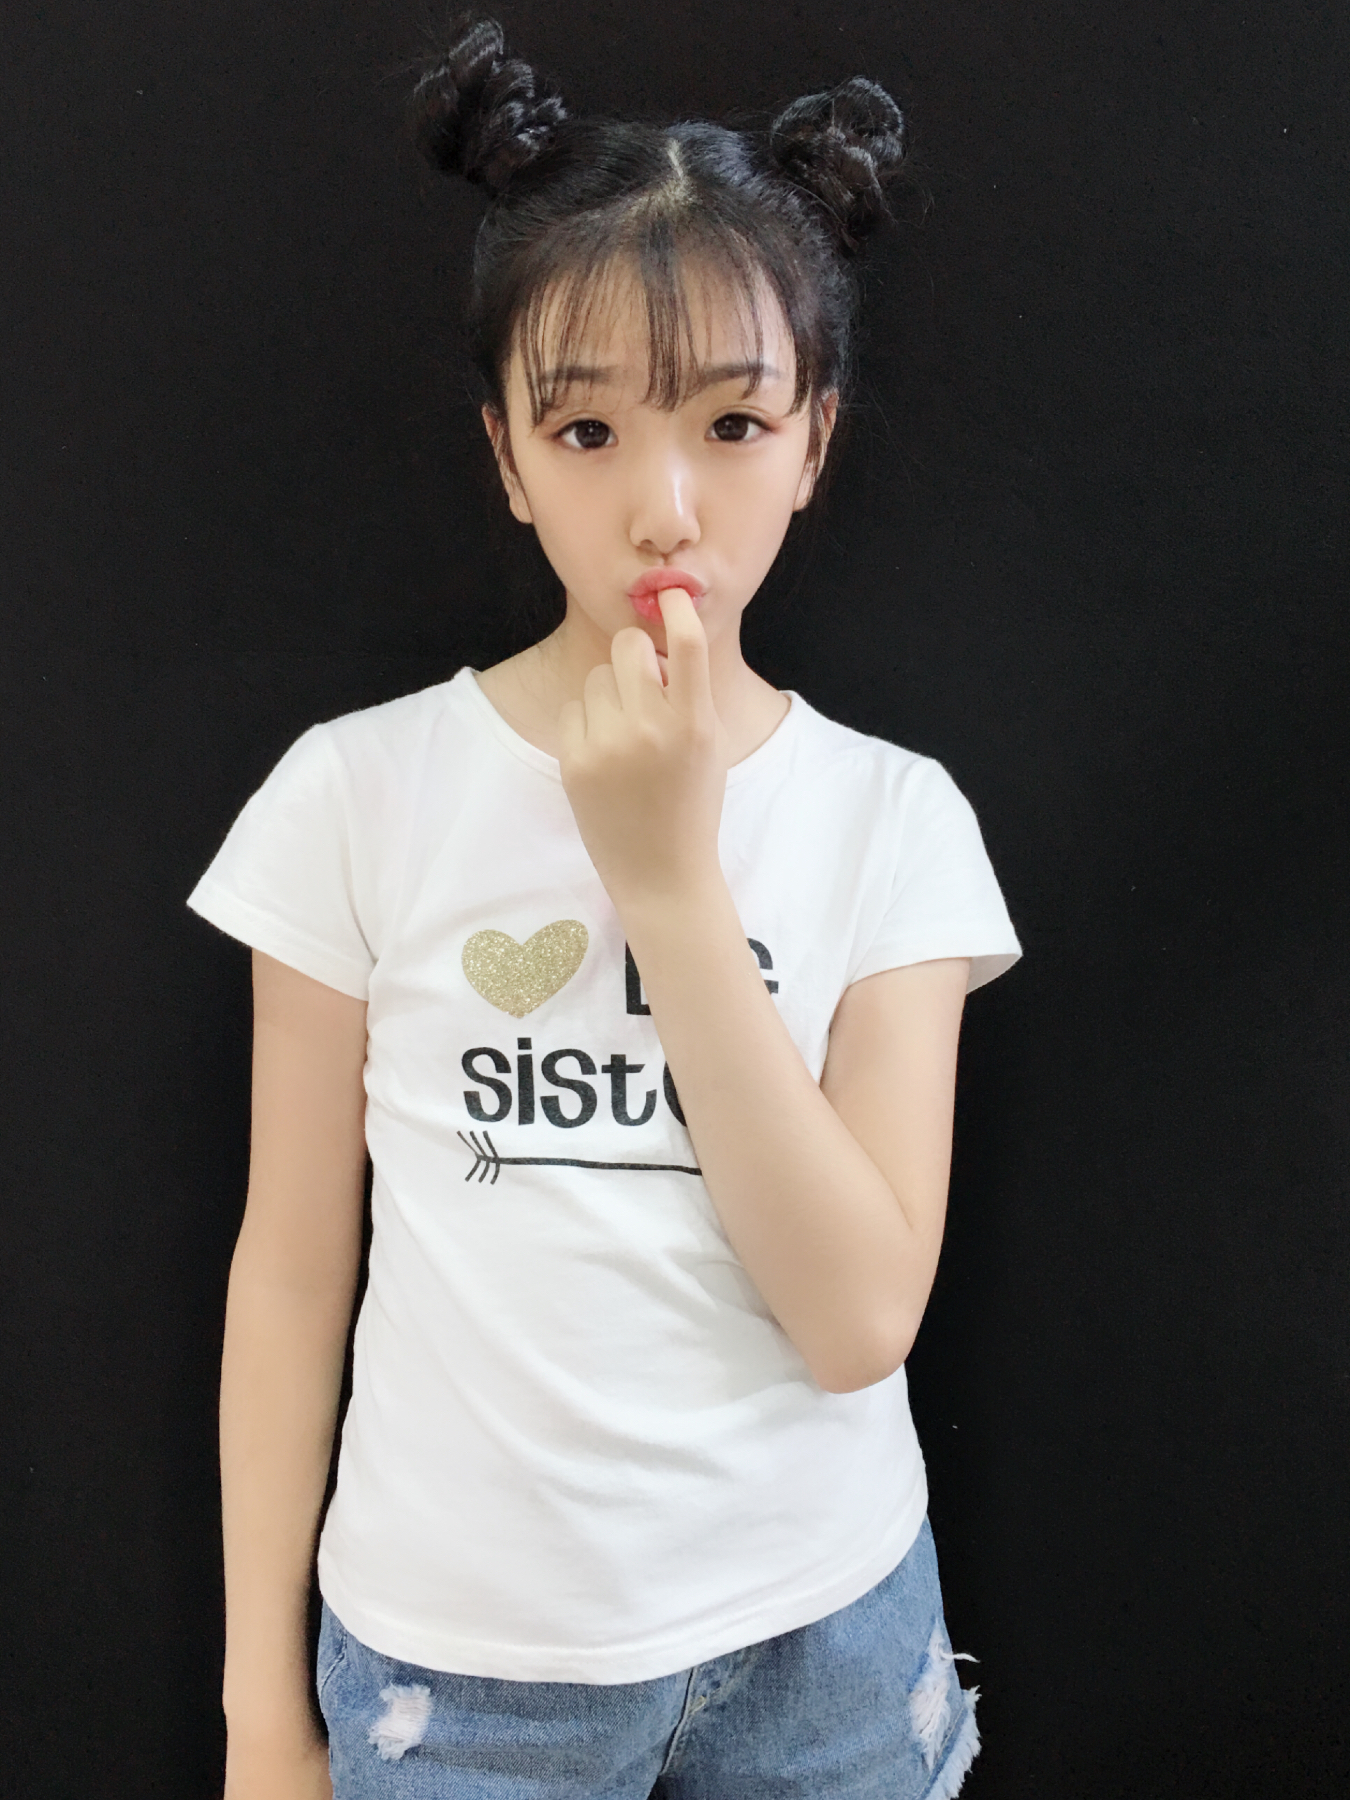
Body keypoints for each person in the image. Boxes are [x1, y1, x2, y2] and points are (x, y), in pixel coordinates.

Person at [189, 14, 1021, 1798]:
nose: (664, 508)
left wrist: (663, 875)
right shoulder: (355, 792)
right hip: (457, 1671)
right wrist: (262, 1704)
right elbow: (291, 1264)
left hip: (826, 1642)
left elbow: (856, 1321)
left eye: (733, 422)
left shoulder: (893, 820)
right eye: (585, 429)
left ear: (814, 440)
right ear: (505, 455)